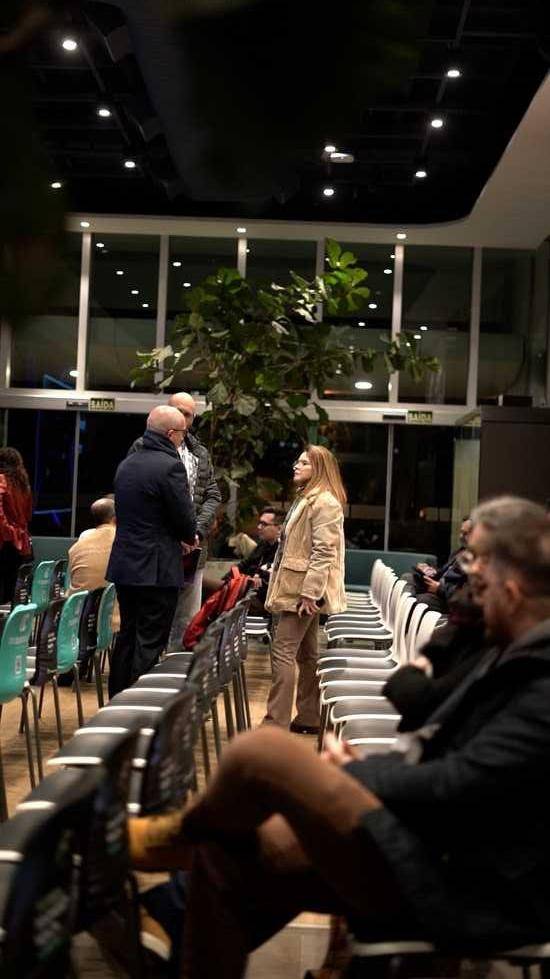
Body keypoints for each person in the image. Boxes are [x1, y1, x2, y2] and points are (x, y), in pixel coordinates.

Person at [127, 495, 550, 979]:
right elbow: (421, 720)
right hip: (435, 842)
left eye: (479, 572)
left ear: (513, 590)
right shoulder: (502, 647)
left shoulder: (540, 682)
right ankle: (172, 913)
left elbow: (458, 783)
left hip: (469, 883)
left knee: (265, 754)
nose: (467, 582)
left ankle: (174, 837)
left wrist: (355, 772)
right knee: (229, 855)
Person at [107, 406, 196, 696]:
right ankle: (140, 704)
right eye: (182, 433)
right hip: (156, 568)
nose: (183, 439)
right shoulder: (170, 466)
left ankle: (117, 701)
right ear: (171, 434)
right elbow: (184, 519)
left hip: (125, 565)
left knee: (127, 635)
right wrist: (188, 537)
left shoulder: (126, 464)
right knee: (150, 640)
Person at [263, 445, 346, 733]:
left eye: (303, 463)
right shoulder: (309, 498)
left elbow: (324, 551)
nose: (295, 466)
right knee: (306, 654)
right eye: (297, 462)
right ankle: (309, 716)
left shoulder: (325, 502)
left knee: (283, 651)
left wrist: (310, 593)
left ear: (319, 469)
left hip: (302, 592)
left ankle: (276, 722)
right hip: (300, 587)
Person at [129, 391, 221, 652]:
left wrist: (195, 532)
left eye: (187, 414)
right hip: (155, 549)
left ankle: (174, 672)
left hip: (193, 548)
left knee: (186, 621)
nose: (182, 416)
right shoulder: (142, 447)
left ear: (193, 419)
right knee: (152, 619)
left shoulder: (199, 452)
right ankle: (148, 671)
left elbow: (213, 495)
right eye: (177, 410)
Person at [203, 507, 284, 615]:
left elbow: (266, 582)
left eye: (264, 524)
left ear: (279, 529)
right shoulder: (263, 545)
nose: (259, 527)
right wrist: (228, 581)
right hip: (242, 589)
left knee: (203, 585)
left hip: (259, 599)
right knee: (205, 587)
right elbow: (243, 565)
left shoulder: (282, 551)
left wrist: (250, 579)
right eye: (259, 523)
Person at [413, 515, 472, 612]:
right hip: (438, 588)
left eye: (466, 533)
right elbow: (444, 573)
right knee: (408, 578)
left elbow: (467, 594)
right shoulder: (459, 552)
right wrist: (430, 571)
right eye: (461, 532)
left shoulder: (478, 561)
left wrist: (440, 588)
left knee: (418, 602)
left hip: (447, 599)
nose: (461, 536)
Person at [0, 447, 32, 604]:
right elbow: (28, 514)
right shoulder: (23, 484)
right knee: (13, 591)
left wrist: (9, 530)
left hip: (5, 539)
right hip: (20, 541)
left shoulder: (2, 480)